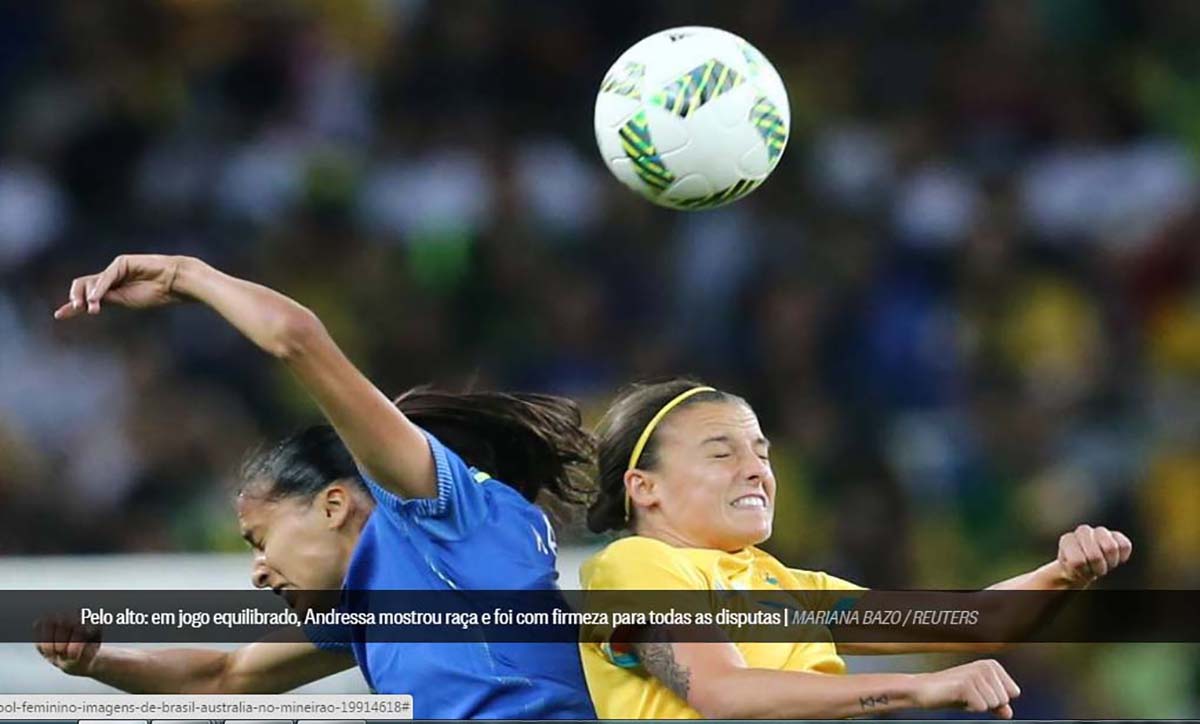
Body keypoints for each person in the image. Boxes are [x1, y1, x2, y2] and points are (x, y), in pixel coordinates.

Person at [37, 253, 597, 718]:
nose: (258, 571)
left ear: (334, 504)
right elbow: (223, 679)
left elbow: (298, 340)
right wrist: (96, 662)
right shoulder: (370, 604)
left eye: (259, 539)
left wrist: (185, 276)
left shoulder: (434, 512)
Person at [580, 379, 1134, 720]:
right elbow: (723, 692)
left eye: (762, 453)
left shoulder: (791, 589)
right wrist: (917, 689)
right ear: (644, 487)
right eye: (721, 454)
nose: (756, 470)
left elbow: (971, 622)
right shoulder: (634, 565)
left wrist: (1062, 574)